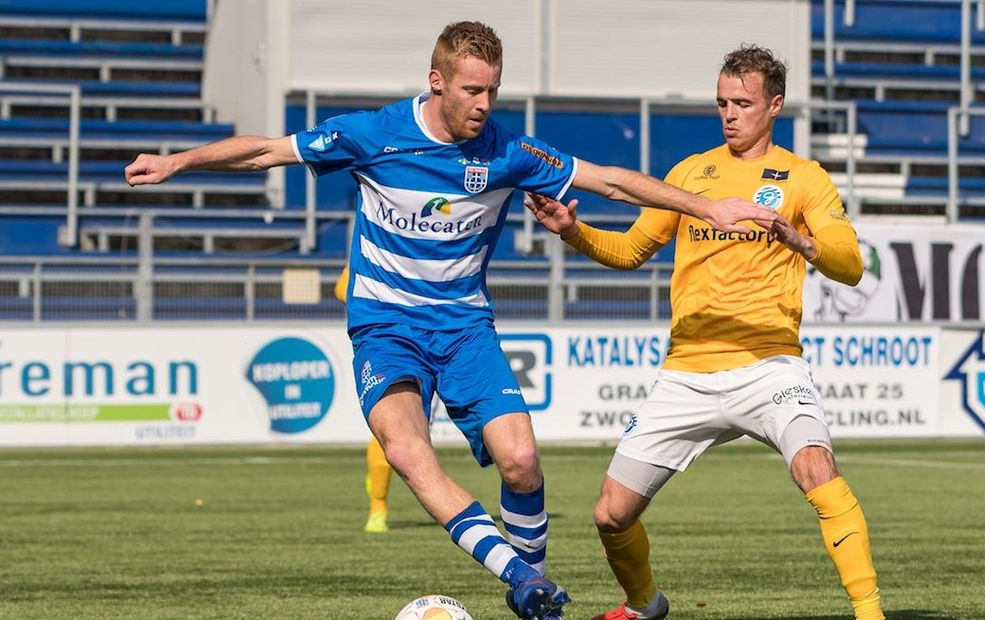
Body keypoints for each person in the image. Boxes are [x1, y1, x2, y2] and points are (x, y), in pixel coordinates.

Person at [123, 22, 775, 620]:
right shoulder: (374, 134)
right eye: (471, 90)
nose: (484, 103)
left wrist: (706, 207)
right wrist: (177, 162)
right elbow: (266, 151)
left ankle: (534, 590)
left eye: (492, 89)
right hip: (385, 327)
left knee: (520, 461)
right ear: (436, 82)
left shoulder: (508, 151)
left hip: (464, 328)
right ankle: (519, 575)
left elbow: (611, 181)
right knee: (408, 451)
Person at [527, 44, 884, 620]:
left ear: (775, 105)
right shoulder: (690, 175)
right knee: (610, 514)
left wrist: (802, 242)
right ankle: (644, 605)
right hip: (687, 373)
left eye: (742, 103)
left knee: (818, 469)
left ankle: (871, 613)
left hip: (769, 365)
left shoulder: (804, 177)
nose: (729, 113)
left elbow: (850, 263)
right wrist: (574, 231)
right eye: (722, 102)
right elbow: (631, 250)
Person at [336, 266, 393, 534]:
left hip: (441, 342)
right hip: (388, 345)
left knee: (415, 434)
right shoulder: (380, 235)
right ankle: (377, 507)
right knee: (391, 429)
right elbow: (342, 285)